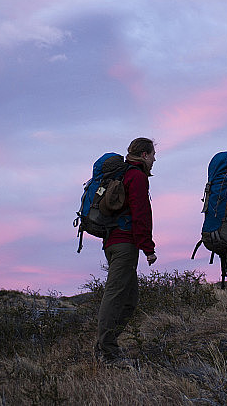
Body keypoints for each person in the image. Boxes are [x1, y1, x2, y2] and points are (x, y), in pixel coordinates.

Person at [95, 137, 158, 364]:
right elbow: (141, 214)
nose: (154, 160)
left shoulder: (123, 174)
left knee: (130, 300)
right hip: (124, 244)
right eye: (152, 155)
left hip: (112, 242)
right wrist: (148, 248)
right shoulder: (136, 176)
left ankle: (105, 344)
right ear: (144, 155)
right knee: (114, 296)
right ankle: (107, 351)